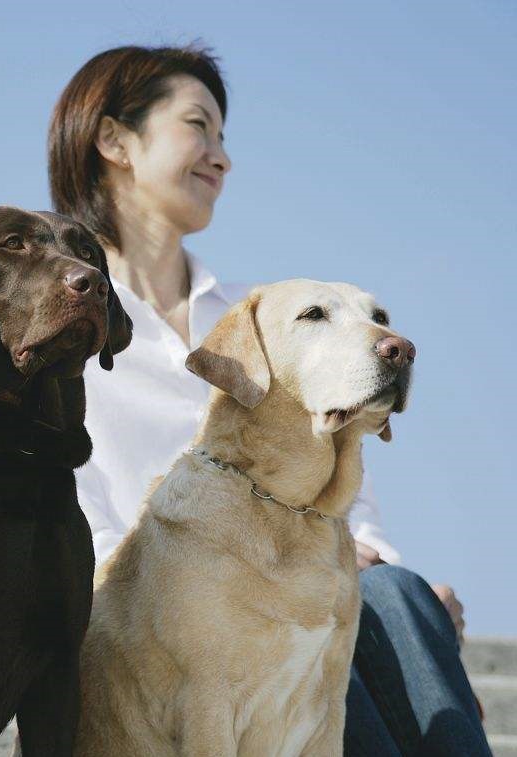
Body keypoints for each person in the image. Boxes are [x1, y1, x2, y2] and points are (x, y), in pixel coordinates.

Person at [48, 44, 490, 755]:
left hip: (303, 590)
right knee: (291, 621)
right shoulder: (65, 325)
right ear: (113, 140)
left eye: (225, 138)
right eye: (198, 127)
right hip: (155, 638)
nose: (221, 158)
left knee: (396, 597)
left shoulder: (270, 318)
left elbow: (347, 494)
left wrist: (369, 561)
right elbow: (83, 534)